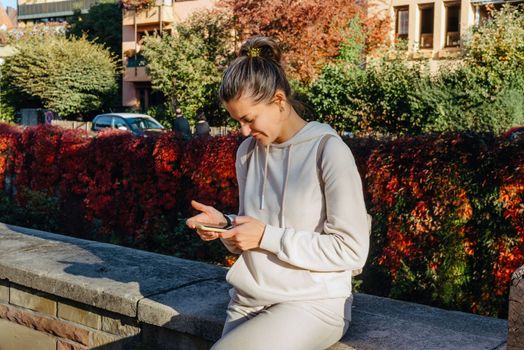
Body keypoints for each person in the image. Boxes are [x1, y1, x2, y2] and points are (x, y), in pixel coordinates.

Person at [186, 36, 369, 350]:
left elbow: (351, 250)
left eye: (249, 119)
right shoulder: (247, 152)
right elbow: (257, 229)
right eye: (237, 121)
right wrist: (227, 226)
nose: (243, 131)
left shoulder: (328, 150)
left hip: (313, 303)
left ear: (279, 101)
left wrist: (264, 237)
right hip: (248, 300)